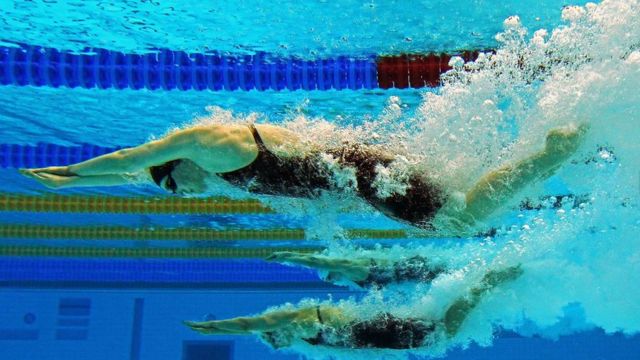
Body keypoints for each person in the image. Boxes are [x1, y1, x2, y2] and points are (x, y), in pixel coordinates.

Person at [19, 122, 587, 234]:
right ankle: (549, 156)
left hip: (366, 174)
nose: (181, 195)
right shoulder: (217, 170)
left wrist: (76, 175)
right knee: (456, 212)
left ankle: (553, 156)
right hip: (366, 175)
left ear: (175, 164)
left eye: (169, 184)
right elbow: (142, 168)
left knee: (455, 221)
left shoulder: (207, 148)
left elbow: (136, 155)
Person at [184, 265, 523, 349]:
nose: (282, 344)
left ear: (276, 330)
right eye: (279, 345)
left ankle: (486, 282)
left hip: (377, 329)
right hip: (377, 335)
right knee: (442, 331)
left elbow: (247, 324)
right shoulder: (309, 340)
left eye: (276, 339)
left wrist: (214, 327)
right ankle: (483, 284)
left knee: (445, 329)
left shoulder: (298, 318)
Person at [266, 251, 447, 288]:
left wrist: (289, 256)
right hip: (417, 273)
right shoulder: (353, 279)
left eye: (330, 278)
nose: (333, 282)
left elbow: (319, 261)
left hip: (419, 269)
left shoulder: (354, 270)